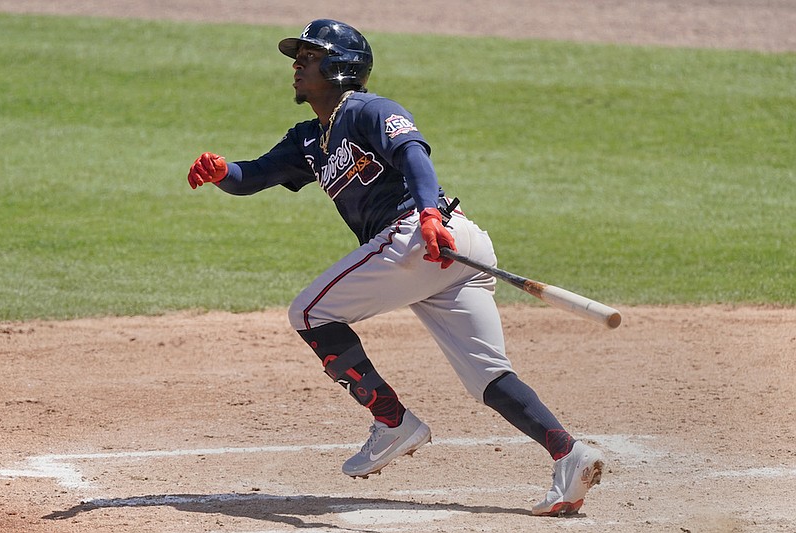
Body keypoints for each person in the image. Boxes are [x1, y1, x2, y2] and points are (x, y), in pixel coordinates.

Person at [187, 19, 603, 516]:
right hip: (437, 250)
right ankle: (569, 453)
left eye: (309, 56)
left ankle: (393, 421)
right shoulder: (308, 140)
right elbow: (250, 177)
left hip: (423, 237)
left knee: (310, 314)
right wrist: (221, 172)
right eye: (297, 57)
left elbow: (414, 155)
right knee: (488, 376)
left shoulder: (368, 110)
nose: (296, 65)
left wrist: (428, 215)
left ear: (339, 66)